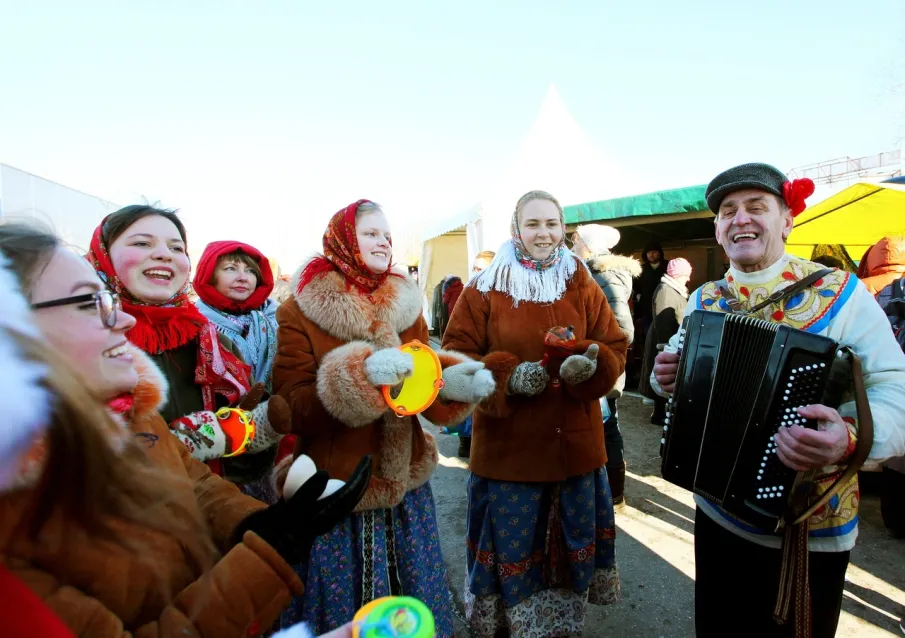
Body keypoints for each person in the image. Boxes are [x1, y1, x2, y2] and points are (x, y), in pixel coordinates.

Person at [0, 222, 371, 636]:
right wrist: (268, 552)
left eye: (176, 245)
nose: (119, 318)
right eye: (90, 302)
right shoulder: (15, 508)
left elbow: (192, 483)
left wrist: (259, 525)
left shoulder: (130, 405)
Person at [651, 163, 905, 637]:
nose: (740, 218)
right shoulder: (706, 297)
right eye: (728, 211)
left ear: (788, 219)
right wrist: (665, 377)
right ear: (717, 229)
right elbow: (673, 372)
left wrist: (847, 437)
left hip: (806, 527)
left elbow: (897, 385)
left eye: (756, 207)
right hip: (713, 511)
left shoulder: (842, 294)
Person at [273, 199, 494, 636]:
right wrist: (358, 378)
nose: (384, 242)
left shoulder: (405, 304)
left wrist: (450, 383)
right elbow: (291, 404)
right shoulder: (299, 310)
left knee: (411, 603)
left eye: (387, 235)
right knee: (344, 610)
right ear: (343, 239)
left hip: (405, 477)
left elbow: (420, 372)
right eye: (371, 232)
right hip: (338, 484)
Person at [443, 190, 628, 638]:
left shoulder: (580, 280)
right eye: (533, 224)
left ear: (563, 228)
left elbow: (615, 343)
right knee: (513, 558)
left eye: (551, 224)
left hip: (575, 451)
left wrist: (592, 361)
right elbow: (453, 360)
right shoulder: (485, 286)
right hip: (511, 455)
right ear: (516, 230)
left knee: (567, 556)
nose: (543, 233)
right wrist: (507, 379)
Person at [86, 206, 284, 483]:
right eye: (142, 243)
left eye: (176, 248)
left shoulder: (215, 343)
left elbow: (244, 444)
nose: (164, 254)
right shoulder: (77, 343)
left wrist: (248, 436)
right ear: (103, 254)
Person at [571, 223, 640, 509]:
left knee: (608, 426)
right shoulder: (591, 273)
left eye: (575, 241)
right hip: (595, 364)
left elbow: (622, 329)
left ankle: (614, 495)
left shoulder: (604, 276)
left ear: (588, 245)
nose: (571, 246)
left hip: (602, 367)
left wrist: (597, 357)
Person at [193, 241, 280, 392]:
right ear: (209, 275)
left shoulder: (279, 317)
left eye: (251, 271)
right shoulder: (193, 324)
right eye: (230, 269)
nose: (243, 278)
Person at [444, 250, 498, 458]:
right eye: (474, 268)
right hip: (473, 364)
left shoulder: (504, 297)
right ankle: (466, 444)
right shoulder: (469, 293)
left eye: (480, 269)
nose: (476, 273)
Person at [639, 258, 692, 426]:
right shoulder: (666, 290)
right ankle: (659, 414)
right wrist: (663, 348)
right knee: (662, 376)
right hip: (662, 341)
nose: (688, 279)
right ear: (679, 275)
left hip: (669, 340)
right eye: (685, 275)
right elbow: (663, 320)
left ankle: (662, 412)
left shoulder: (674, 290)